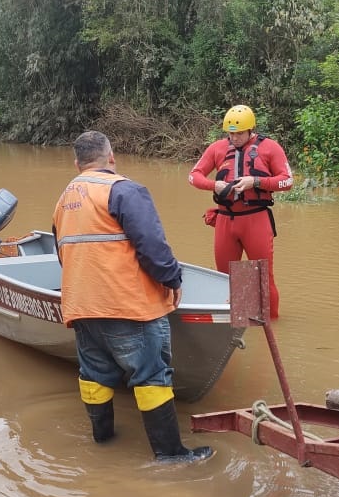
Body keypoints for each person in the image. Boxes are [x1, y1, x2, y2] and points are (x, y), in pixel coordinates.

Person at [52, 130, 213, 464]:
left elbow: (62, 253)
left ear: (77, 162)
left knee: (94, 375)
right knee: (152, 376)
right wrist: (173, 279)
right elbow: (153, 247)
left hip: (82, 308)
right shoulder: (124, 190)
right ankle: (170, 455)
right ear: (111, 157)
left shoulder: (64, 200)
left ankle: (103, 441)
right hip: (128, 307)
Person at [188, 105, 293, 320]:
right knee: (226, 278)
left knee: (262, 277)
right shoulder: (217, 148)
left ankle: (269, 326)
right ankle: (237, 323)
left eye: (239, 134)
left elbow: (287, 181)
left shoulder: (270, 148)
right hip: (225, 221)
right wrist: (213, 185)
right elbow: (194, 176)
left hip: (256, 219)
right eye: (230, 134)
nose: (234, 138)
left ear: (250, 130)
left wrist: (255, 181)